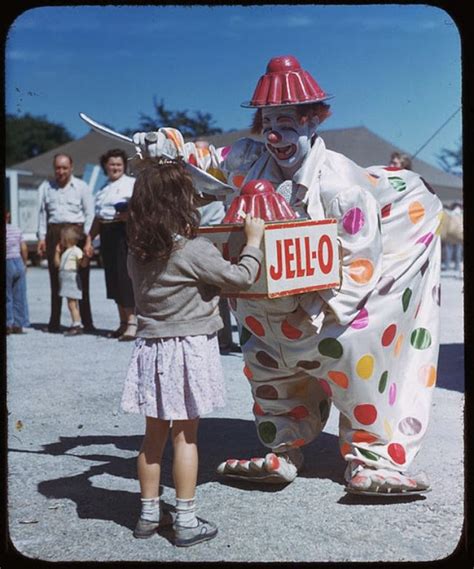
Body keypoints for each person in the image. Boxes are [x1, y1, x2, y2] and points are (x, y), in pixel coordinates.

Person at [131, 54, 443, 496]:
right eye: (268, 122)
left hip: (327, 302)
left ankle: (373, 458)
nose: (275, 135)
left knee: (354, 357)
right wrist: (170, 147)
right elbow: (209, 159)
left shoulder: (342, 186)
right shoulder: (249, 157)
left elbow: (358, 263)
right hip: (269, 296)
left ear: (314, 120)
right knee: (266, 363)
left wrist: (319, 309)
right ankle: (281, 446)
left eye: (287, 123)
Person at [120, 157, 264, 545]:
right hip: (188, 350)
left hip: (151, 350)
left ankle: (148, 514)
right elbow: (241, 278)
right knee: (186, 436)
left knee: (152, 438)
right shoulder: (195, 250)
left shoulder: (137, 254)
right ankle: (185, 520)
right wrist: (253, 242)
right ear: (180, 203)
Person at [37, 153, 95, 333]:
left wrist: (87, 239)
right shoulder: (46, 187)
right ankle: (54, 322)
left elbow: (90, 213)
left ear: (71, 168)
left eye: (64, 168)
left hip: (75, 233)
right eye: (57, 168)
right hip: (54, 233)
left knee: (81, 278)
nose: (60, 171)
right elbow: (42, 214)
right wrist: (41, 238)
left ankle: (86, 323)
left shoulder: (81, 187)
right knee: (56, 277)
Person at [84, 149, 136, 341]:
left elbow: (142, 209)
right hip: (106, 233)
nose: (115, 167)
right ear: (105, 166)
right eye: (111, 164)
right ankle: (122, 322)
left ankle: (132, 322)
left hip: (124, 232)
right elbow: (98, 218)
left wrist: (128, 214)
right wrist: (90, 239)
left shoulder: (131, 184)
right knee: (112, 278)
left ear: (124, 166)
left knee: (124, 277)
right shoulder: (103, 188)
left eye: (118, 164)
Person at [53, 226, 90, 336]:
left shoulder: (76, 251)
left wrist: (86, 257)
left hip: (71, 277)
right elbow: (57, 264)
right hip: (65, 278)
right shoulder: (66, 252)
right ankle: (76, 322)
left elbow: (82, 263)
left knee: (72, 303)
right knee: (71, 303)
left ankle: (77, 324)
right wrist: (56, 252)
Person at [6, 211, 30, 334]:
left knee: (7, 295)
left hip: (7, 263)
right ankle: (18, 324)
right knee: (19, 295)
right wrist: (24, 263)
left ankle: (8, 323)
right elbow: (24, 248)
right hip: (18, 261)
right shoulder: (16, 229)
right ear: (8, 216)